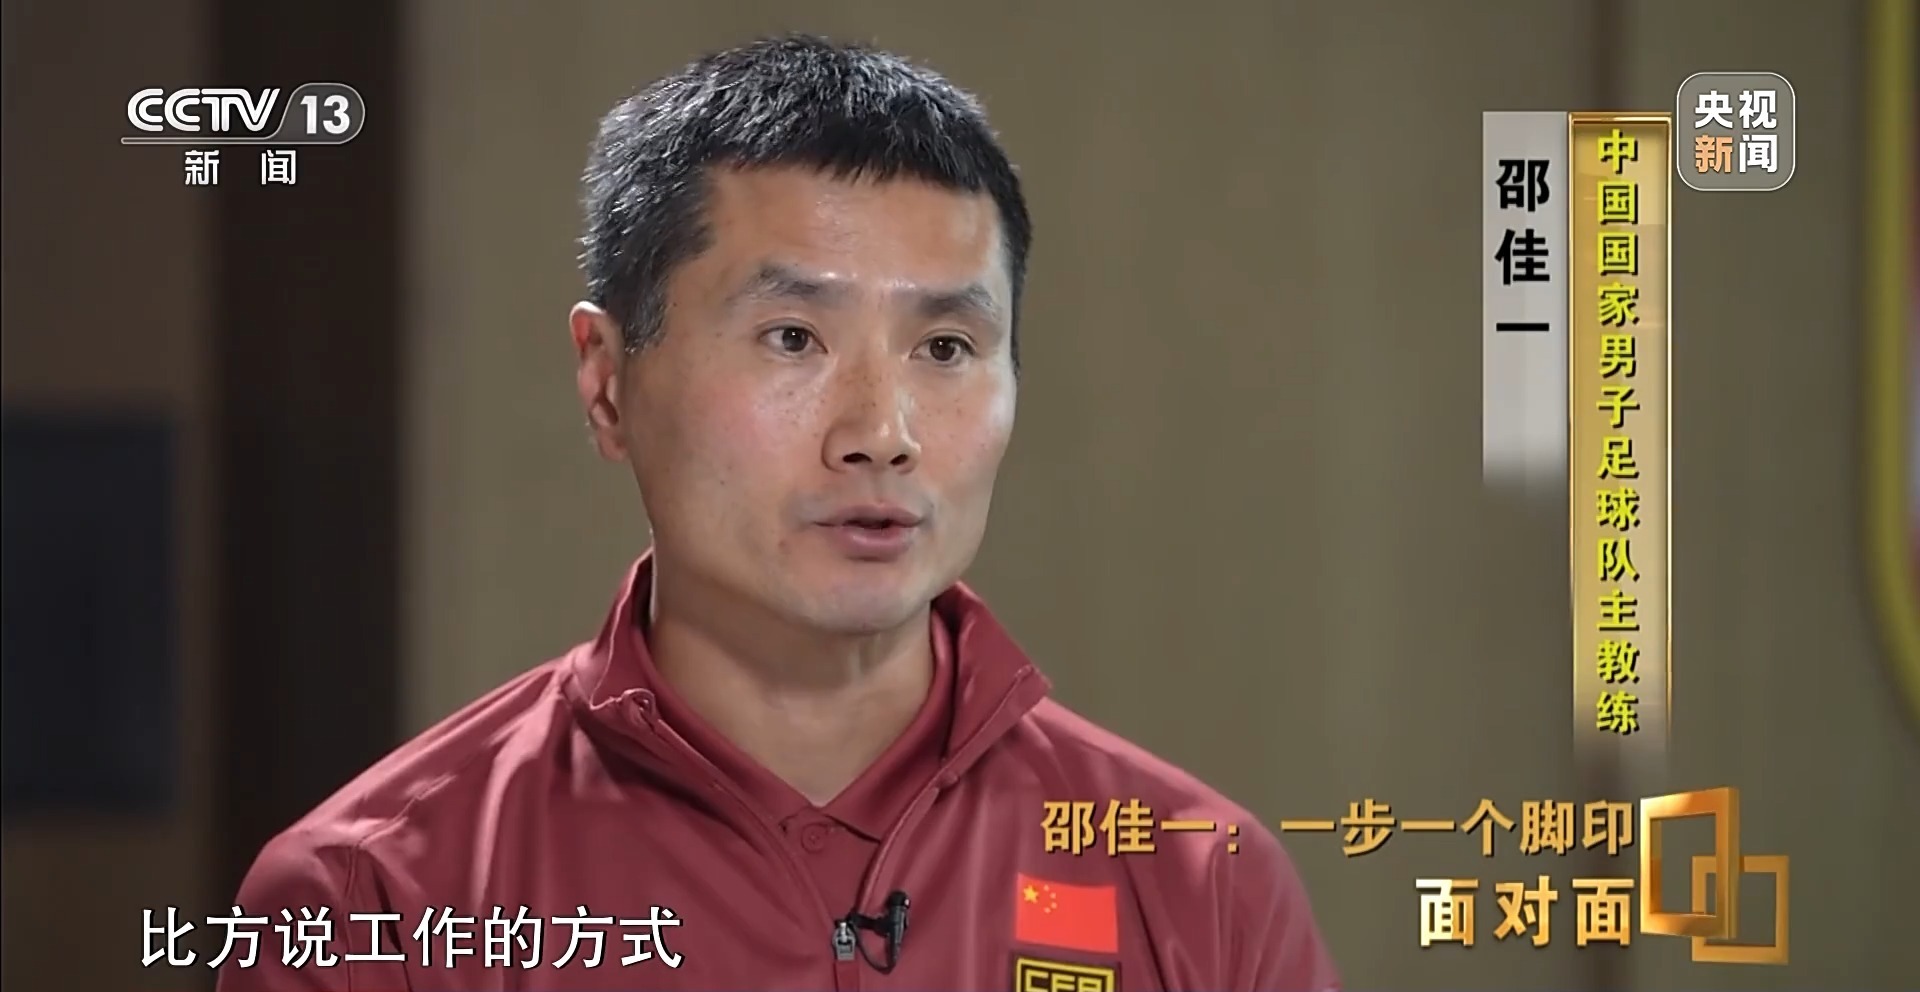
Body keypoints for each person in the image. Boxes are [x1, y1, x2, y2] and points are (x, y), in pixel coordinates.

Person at [219, 34, 1339, 992]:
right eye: (793, 337)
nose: (882, 431)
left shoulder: (1201, 888)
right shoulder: (371, 901)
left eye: (947, 347)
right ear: (606, 381)